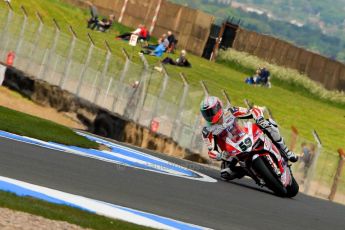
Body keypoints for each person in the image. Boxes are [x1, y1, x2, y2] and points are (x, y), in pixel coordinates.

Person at [200, 96, 298, 181]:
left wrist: (259, 118)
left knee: (270, 124)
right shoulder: (207, 131)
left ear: (218, 106)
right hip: (230, 152)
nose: (209, 115)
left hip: (245, 136)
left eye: (211, 111)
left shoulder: (231, 111)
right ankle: (251, 172)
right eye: (206, 113)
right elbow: (211, 151)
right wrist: (220, 155)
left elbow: (253, 111)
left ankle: (285, 151)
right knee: (225, 174)